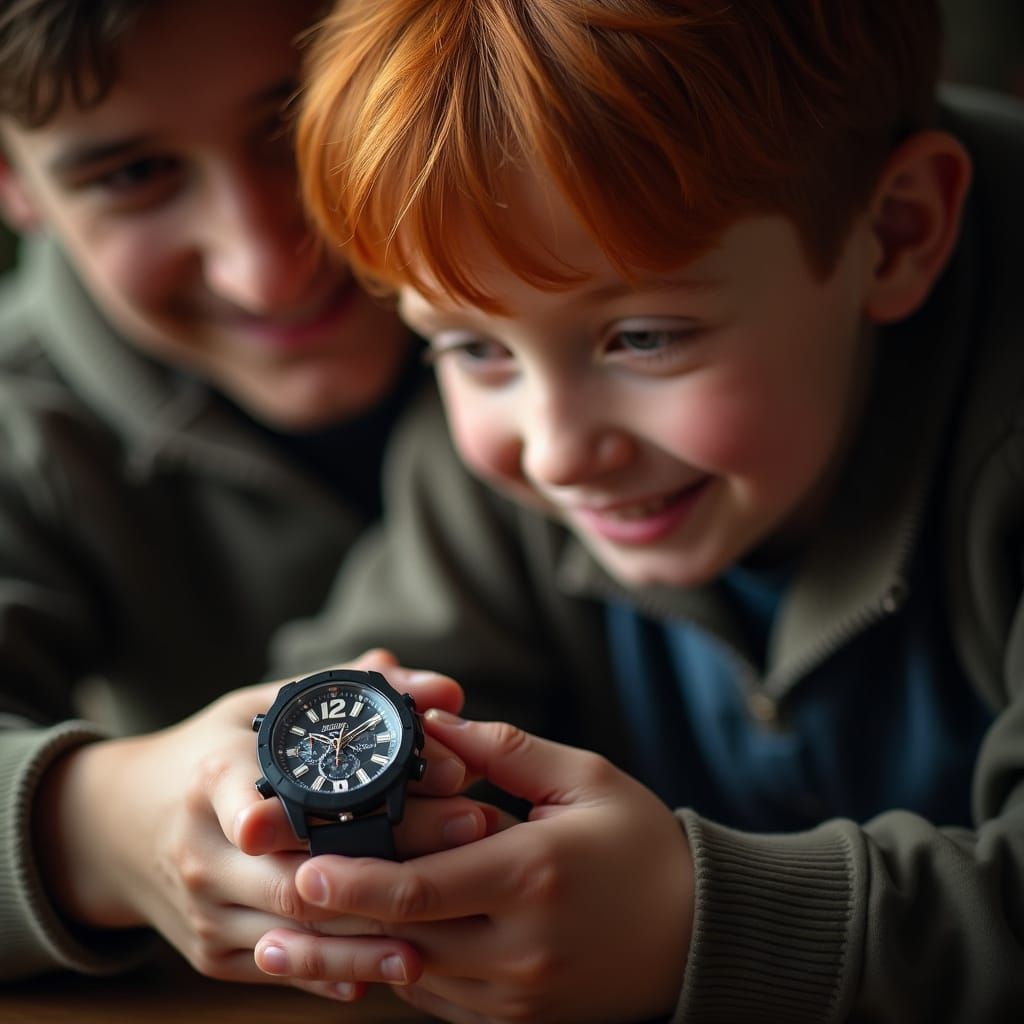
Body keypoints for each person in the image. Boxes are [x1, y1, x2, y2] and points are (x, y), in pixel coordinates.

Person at [258, 0, 1024, 1020]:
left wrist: (699, 923)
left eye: (646, 337)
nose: (555, 449)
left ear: (894, 232)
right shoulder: (491, 472)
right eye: (473, 348)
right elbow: (366, 686)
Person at [0, 0, 493, 994]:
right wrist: (91, 825)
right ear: (13, 183)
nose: (265, 270)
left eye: (298, 124)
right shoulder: (21, 418)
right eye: (133, 175)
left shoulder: (620, 304)